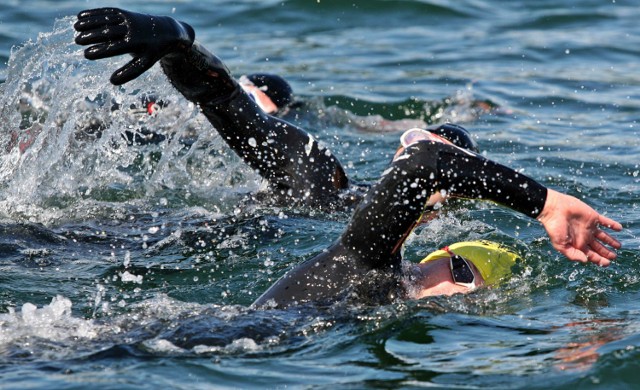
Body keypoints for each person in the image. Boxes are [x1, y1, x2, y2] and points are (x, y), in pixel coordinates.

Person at [74, 8, 623, 308]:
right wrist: (180, 44)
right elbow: (232, 109)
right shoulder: (327, 188)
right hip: (110, 241)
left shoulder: (375, 269)